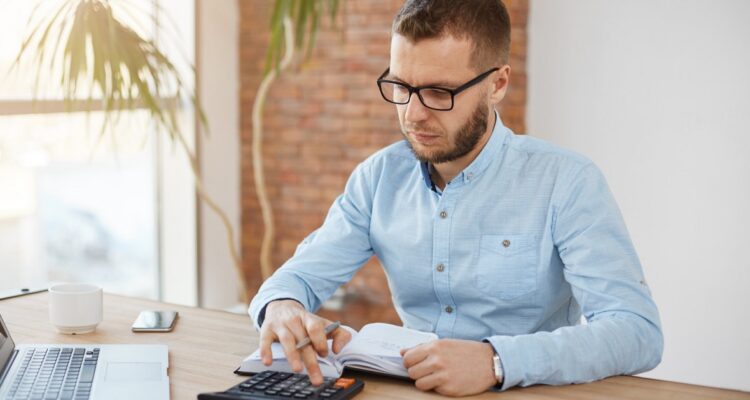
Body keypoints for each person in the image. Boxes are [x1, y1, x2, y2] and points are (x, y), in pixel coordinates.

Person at [248, 0, 663, 396]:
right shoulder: (378, 179)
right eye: (401, 86)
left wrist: (495, 361)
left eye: (439, 92)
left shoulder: (567, 182)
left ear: (497, 83)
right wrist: (283, 306)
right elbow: (296, 279)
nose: (413, 115)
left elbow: (636, 331)